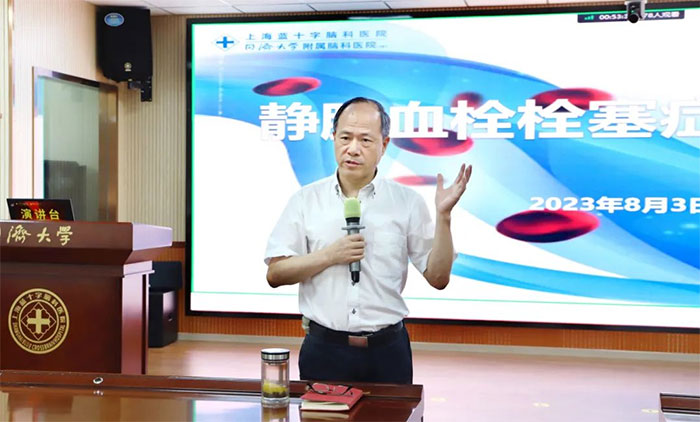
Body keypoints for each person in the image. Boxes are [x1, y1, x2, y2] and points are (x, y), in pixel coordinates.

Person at [264, 97, 471, 384]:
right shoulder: (305, 200)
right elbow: (275, 274)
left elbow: (438, 278)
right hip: (325, 350)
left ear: (383, 145)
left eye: (365, 140)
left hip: (388, 352)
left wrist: (444, 216)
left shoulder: (407, 202)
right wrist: (329, 255)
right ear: (333, 137)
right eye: (345, 137)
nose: (353, 148)